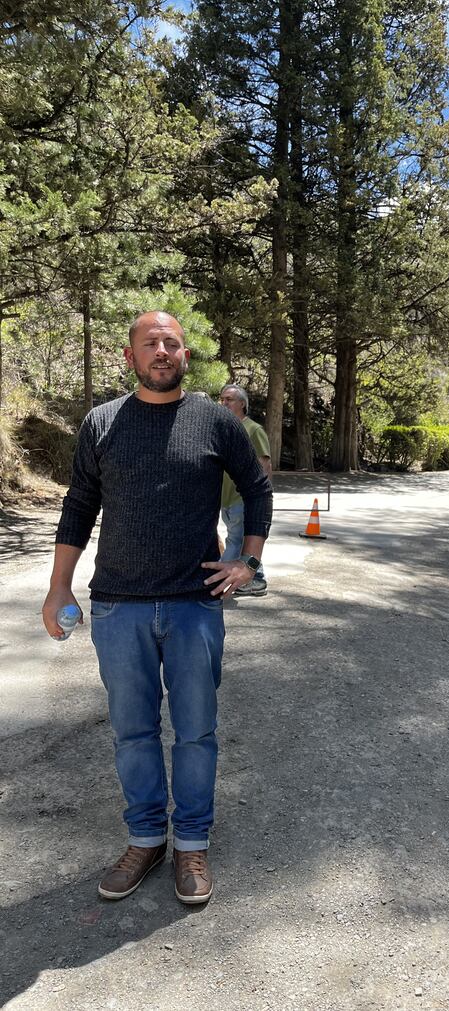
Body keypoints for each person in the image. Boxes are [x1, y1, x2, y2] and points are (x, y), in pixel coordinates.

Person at [41, 312, 272, 905]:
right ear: (130, 356)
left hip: (195, 606)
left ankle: (191, 843)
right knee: (133, 733)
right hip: (119, 608)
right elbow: (78, 506)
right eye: (151, 343)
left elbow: (258, 487)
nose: (162, 351)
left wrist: (247, 561)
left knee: (196, 733)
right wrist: (58, 586)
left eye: (171, 343)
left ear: (185, 356)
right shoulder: (101, 424)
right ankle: (145, 838)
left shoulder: (217, 422)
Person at [218, 384, 272, 597]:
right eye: (221, 399)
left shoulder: (253, 430)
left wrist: (260, 500)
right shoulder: (223, 429)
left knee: (235, 540)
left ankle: (219, 582)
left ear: (242, 404)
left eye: (229, 399)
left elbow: (264, 465)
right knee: (242, 540)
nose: (223, 403)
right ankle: (256, 579)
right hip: (226, 499)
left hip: (244, 498)